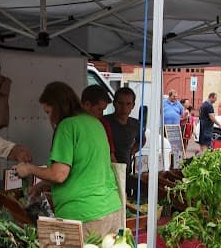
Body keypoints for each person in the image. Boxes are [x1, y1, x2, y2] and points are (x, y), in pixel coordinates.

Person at [15, 82, 123, 237]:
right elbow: (83, 171)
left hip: (85, 214)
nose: (49, 118)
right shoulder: (95, 123)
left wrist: (29, 169)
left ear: (57, 107)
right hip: (111, 210)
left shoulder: (67, 126)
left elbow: (59, 174)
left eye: (48, 111)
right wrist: (42, 185)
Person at [104, 87, 144, 174]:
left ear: (133, 105)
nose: (124, 108)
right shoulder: (104, 122)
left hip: (126, 172)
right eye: (120, 103)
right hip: (106, 172)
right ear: (114, 103)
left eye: (128, 104)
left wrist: (132, 151)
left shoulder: (136, 124)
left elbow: (142, 140)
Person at [81, 84, 115, 155]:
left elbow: (111, 154)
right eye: (99, 109)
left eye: (103, 110)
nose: (101, 114)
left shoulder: (103, 124)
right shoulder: (70, 125)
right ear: (87, 105)